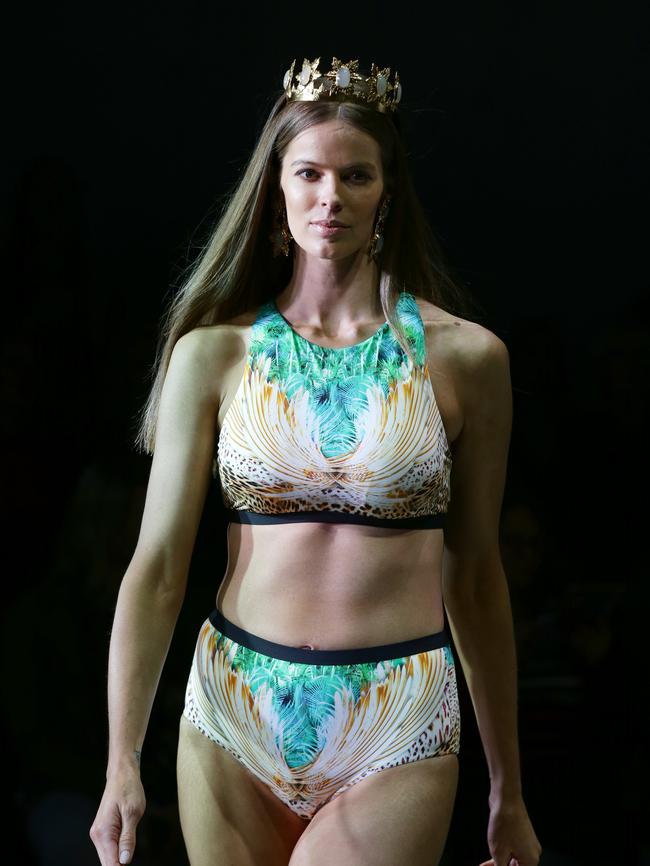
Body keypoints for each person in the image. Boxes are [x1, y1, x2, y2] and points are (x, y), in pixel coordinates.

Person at [89, 55, 542, 866]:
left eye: (355, 175)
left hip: (396, 717)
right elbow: (157, 566)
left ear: (387, 191)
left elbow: (476, 575)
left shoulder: (468, 360)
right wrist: (121, 758)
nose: (330, 196)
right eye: (309, 173)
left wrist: (508, 788)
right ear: (278, 187)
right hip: (235, 709)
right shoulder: (213, 355)